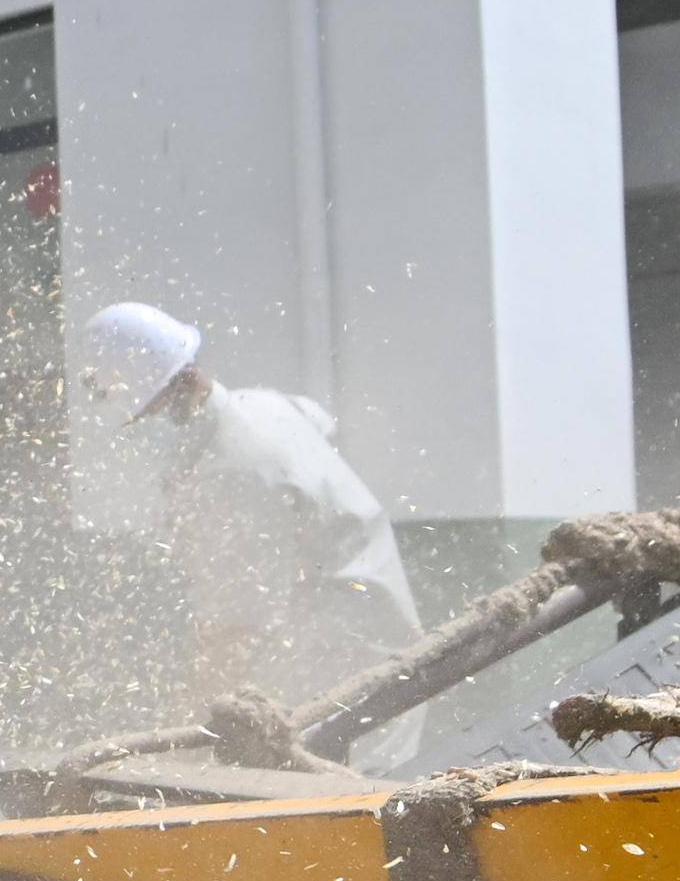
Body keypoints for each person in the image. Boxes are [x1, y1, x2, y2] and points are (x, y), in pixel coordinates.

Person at [79, 301, 426, 736]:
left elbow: (234, 628)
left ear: (175, 391)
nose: (143, 427)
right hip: (374, 649)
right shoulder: (263, 406)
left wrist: (184, 733)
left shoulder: (228, 472)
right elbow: (320, 432)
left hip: (349, 690)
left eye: (146, 415)